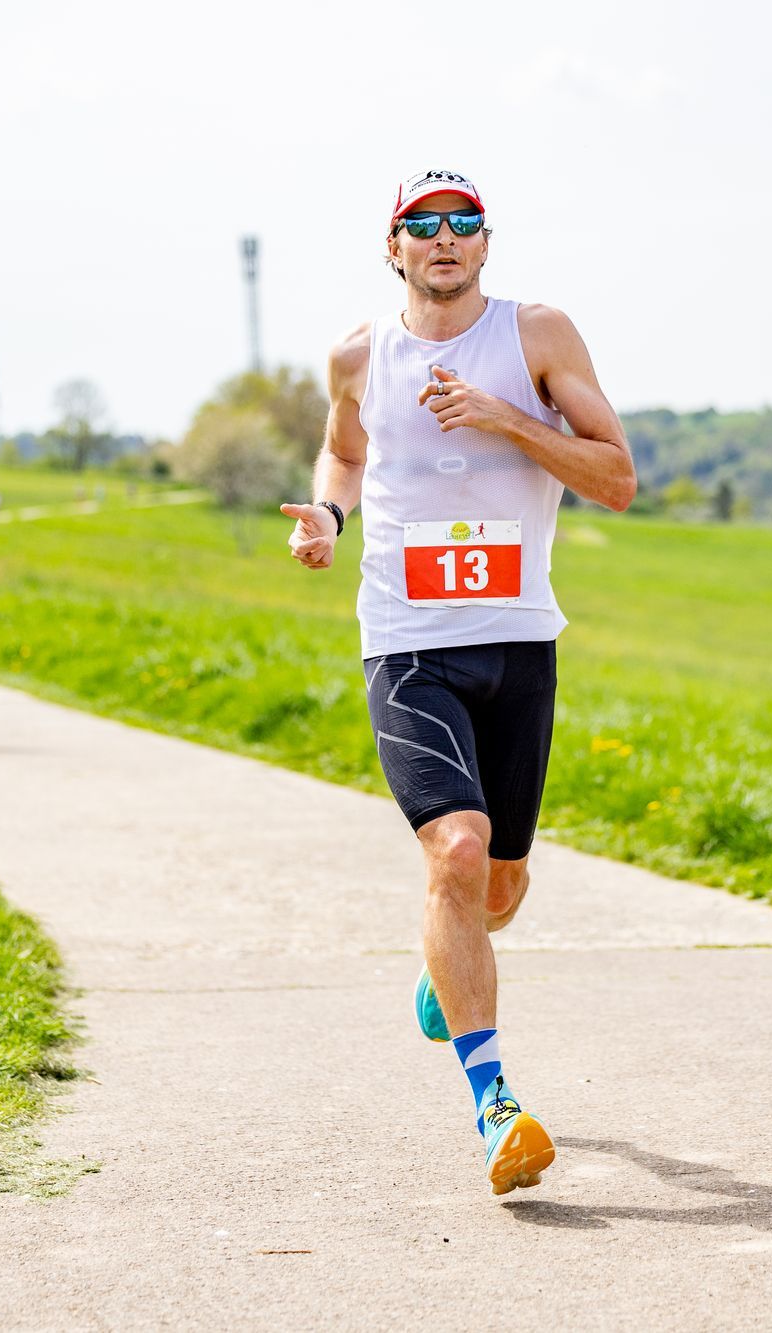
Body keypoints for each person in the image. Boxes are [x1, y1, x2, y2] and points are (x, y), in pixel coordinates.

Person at [281, 169, 636, 1195]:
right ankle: (493, 1103)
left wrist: (504, 419)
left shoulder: (537, 339)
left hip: (517, 639)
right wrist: (327, 516)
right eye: (421, 224)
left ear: (485, 243)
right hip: (405, 640)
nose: (443, 237)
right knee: (458, 849)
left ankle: (451, 957)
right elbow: (341, 453)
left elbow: (614, 478)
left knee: (500, 885)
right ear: (391, 246)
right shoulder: (358, 353)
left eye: (461, 223)